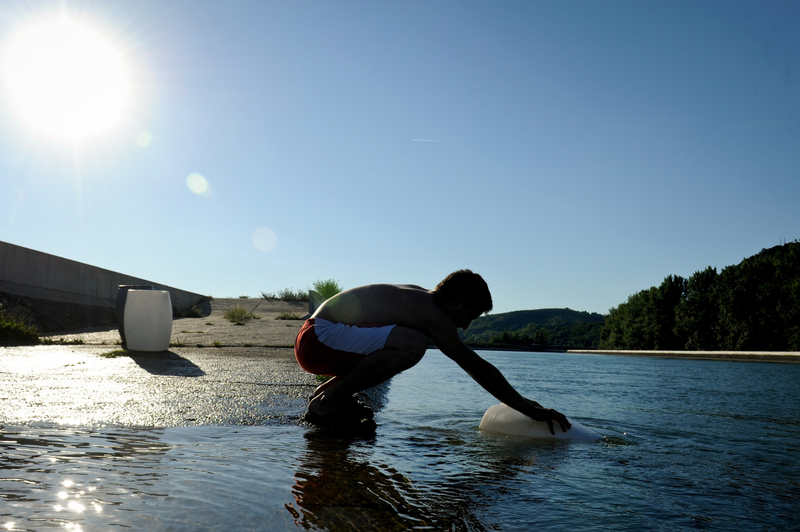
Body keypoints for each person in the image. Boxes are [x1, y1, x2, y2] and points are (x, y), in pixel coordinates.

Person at [294, 269, 571, 434]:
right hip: (319, 340)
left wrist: (524, 403)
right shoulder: (429, 311)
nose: (465, 325)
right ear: (458, 300)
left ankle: (330, 397)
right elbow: (475, 365)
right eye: (470, 315)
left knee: (407, 340)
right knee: (413, 344)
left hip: (318, 337)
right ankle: (326, 404)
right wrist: (527, 408)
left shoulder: (422, 298)